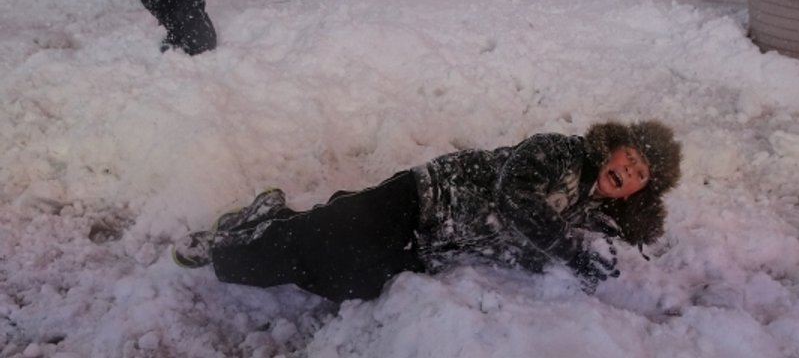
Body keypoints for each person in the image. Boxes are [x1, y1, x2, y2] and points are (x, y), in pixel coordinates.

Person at [172, 119, 683, 302]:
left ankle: (279, 216)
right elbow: (516, 197)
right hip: (425, 197)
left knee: (347, 282)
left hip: (434, 246)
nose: (629, 170)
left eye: (641, 174)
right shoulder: (561, 152)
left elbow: (611, 257)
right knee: (312, 246)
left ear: (638, 191)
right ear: (614, 147)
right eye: (630, 158)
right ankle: (226, 247)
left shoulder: (593, 210)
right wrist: (567, 249)